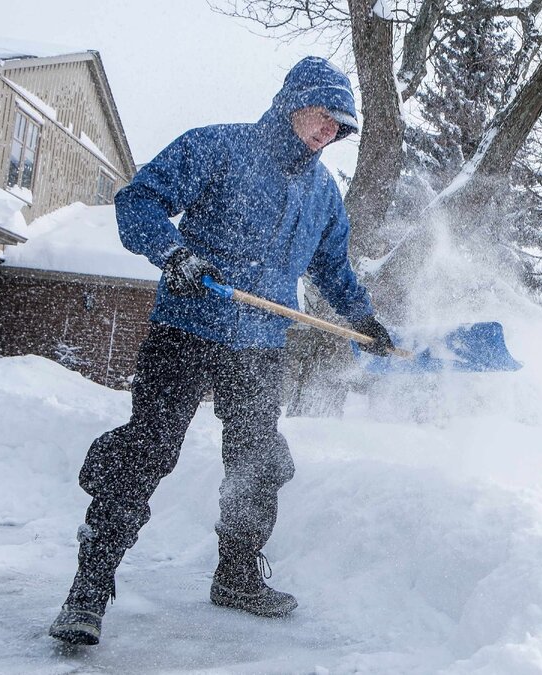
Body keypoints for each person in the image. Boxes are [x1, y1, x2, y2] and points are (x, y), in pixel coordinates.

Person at [49, 57, 393, 646]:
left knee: (258, 461)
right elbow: (141, 201)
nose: (328, 132)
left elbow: (332, 265)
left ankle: (236, 575)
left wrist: (361, 316)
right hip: (189, 326)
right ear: (293, 103)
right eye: (323, 117)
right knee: (148, 448)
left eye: (340, 126)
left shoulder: (322, 194)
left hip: (260, 345)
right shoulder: (218, 147)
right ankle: (89, 587)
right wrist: (174, 253)